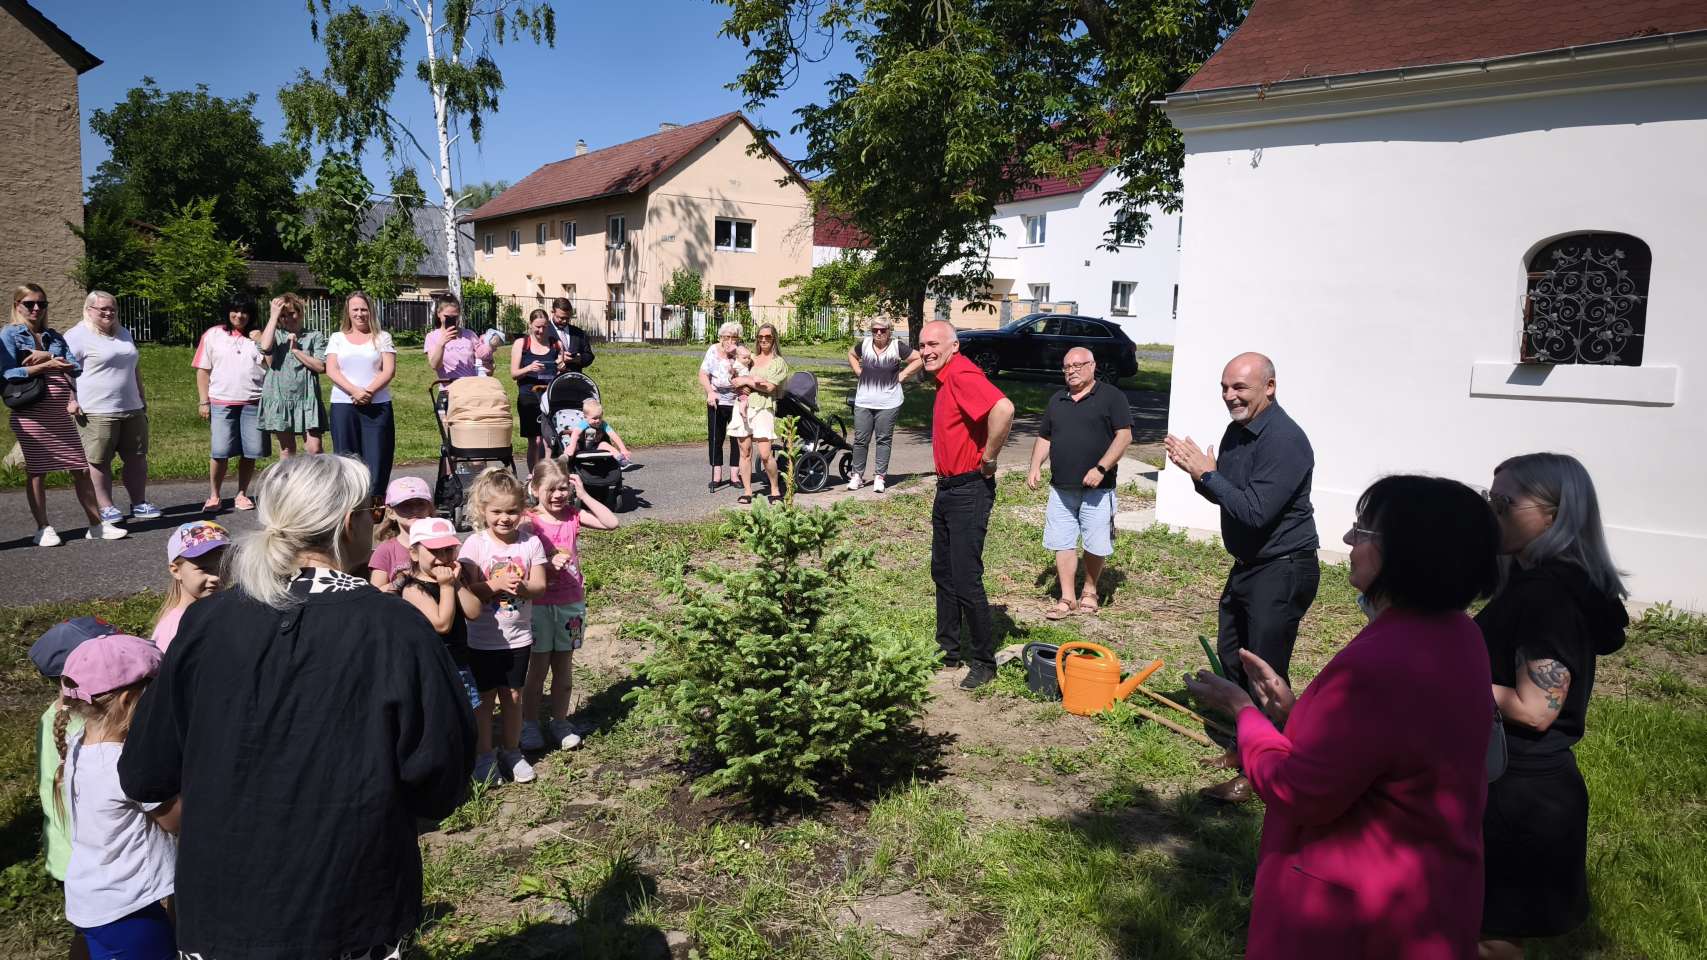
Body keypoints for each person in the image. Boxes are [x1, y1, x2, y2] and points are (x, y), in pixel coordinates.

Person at [119, 454, 475, 960]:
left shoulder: (207, 623)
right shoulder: (393, 626)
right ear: (351, 523)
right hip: (350, 907)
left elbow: (144, 770)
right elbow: (442, 770)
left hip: (222, 910)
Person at [1185, 475, 1501, 960]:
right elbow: (1388, 749)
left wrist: (1244, 713)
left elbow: (1301, 791)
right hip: (1428, 896)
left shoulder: (1382, 661)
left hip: (1354, 913)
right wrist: (1295, 713)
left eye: (1364, 531)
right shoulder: (1459, 634)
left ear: (1406, 553)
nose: (1350, 541)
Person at [1476, 453, 1629, 960]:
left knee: (1489, 937)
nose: (1491, 512)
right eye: (1488, 499)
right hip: (1517, 782)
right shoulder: (1539, 581)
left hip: (1521, 794)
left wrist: (1449, 678)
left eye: (1504, 503)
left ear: (1556, 512)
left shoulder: (1548, 595)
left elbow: (1537, 708)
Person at [1165, 351, 1319, 803]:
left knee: (1266, 673)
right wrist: (1201, 476)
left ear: (1269, 387)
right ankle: (1243, 746)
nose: (1230, 396)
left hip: (1284, 567)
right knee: (1233, 658)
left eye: (1241, 388)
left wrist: (1208, 474)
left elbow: (1254, 511)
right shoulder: (1238, 432)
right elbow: (1231, 496)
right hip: (1250, 565)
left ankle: (1263, 772)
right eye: (1225, 387)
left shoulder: (1286, 441)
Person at [57, 632, 179, 960]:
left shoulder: (80, 742)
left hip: (97, 897)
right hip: (129, 909)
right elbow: (176, 820)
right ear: (129, 701)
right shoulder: (128, 763)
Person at [918, 320, 1015, 689]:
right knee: (942, 572)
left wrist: (989, 458)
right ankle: (948, 650)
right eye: (923, 344)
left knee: (965, 577)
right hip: (947, 489)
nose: (926, 350)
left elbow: (1003, 409)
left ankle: (983, 661)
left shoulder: (960, 373)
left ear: (954, 347)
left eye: (934, 344)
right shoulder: (945, 378)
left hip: (968, 489)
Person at [3, 284, 127, 545]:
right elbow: (7, 373)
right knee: (37, 471)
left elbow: (74, 367)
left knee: (80, 468)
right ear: (17, 306)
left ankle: (95, 524)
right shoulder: (9, 335)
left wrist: (46, 355)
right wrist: (48, 364)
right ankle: (43, 527)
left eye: (42, 304)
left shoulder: (53, 335)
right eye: (29, 304)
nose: (36, 308)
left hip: (59, 413)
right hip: (32, 414)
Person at [31, 615, 119, 960]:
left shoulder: (52, 717)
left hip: (67, 855)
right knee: (104, 935)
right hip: (93, 856)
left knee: (91, 931)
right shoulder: (90, 727)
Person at [519, 459, 618, 754]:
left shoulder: (573, 515)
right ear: (535, 489)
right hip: (537, 604)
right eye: (551, 489)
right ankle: (530, 724)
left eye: (563, 488)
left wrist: (585, 495)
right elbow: (521, 554)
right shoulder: (528, 519)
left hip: (570, 603)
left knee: (563, 668)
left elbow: (611, 523)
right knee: (536, 670)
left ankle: (560, 722)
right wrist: (547, 561)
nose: (558, 495)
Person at [1026, 347, 1132, 619]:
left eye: (1077, 365)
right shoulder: (1057, 400)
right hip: (1061, 487)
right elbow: (1045, 437)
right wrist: (1035, 465)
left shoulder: (1111, 397)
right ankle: (1067, 598)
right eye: (1066, 367)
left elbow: (1124, 437)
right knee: (1062, 542)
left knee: (1095, 543)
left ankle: (1090, 591)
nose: (1071, 371)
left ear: (1092, 365)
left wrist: (1101, 468)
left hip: (1098, 487)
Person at [457, 465, 548, 785]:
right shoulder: (475, 545)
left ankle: (512, 750)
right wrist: (494, 585)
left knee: (512, 697)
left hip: (518, 638)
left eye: (512, 511)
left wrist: (522, 587)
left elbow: (540, 586)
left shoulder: (530, 543)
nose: (505, 518)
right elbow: (467, 594)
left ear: (523, 510)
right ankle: (484, 756)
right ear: (483, 510)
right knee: (483, 703)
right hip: (481, 639)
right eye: (497, 511)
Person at [64, 291, 159, 523]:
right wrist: (71, 399)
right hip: (96, 409)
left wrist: (141, 395)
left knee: (137, 457)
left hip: (131, 406)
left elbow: (134, 366)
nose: (108, 313)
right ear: (88, 310)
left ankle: (139, 503)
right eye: (102, 309)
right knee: (99, 460)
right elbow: (64, 370)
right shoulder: (77, 335)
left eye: (112, 309)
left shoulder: (123, 333)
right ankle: (105, 506)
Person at [397, 515, 484, 714]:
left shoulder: (452, 581)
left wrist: (457, 583)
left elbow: (474, 611)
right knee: (444, 716)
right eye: (434, 551)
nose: (443, 557)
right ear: (414, 553)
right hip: (435, 667)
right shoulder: (413, 589)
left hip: (460, 662)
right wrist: (446, 587)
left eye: (448, 550)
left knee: (470, 714)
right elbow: (442, 624)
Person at [194, 294, 267, 513]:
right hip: (221, 402)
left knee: (250, 451)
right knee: (220, 451)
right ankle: (215, 495)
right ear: (228, 312)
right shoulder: (214, 334)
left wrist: (260, 341)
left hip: (253, 401)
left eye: (245, 312)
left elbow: (272, 364)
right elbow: (203, 370)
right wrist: (203, 401)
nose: (240, 315)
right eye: (235, 311)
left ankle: (242, 493)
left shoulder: (259, 336)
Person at [325, 290, 397, 501]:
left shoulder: (382, 337)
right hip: (343, 405)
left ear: (370, 311)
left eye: (363, 309)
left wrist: (368, 392)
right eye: (355, 309)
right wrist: (354, 391)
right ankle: (350, 503)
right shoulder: (337, 338)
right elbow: (332, 370)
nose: (359, 314)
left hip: (377, 406)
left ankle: (375, 504)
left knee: (378, 457)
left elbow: (388, 370)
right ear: (348, 312)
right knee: (346, 458)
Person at [846, 317, 922, 492]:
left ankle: (880, 477)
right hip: (864, 401)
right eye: (875, 330)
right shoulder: (864, 345)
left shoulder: (897, 346)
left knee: (883, 440)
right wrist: (857, 370)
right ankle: (857, 475)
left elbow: (919, 359)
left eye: (882, 330)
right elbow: (851, 354)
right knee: (860, 439)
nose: (878, 333)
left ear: (889, 331)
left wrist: (903, 375)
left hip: (889, 403)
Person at [256, 293, 328, 458]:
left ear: (300, 313)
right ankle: (288, 483)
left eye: (291, 314)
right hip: (280, 397)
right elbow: (265, 347)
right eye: (283, 316)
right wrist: (273, 316)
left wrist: (296, 351)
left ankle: (316, 482)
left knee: (314, 449)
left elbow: (320, 366)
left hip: (307, 398)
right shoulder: (276, 334)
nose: (287, 319)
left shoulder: (314, 336)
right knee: (287, 449)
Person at [728, 323, 790, 505]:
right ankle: (748, 491)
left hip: (763, 407)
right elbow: (734, 376)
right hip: (743, 407)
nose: (763, 340)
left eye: (768, 337)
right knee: (745, 452)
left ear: (774, 339)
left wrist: (745, 381)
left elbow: (769, 387)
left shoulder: (779, 363)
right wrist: (738, 381)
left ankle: (775, 489)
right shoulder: (751, 358)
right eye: (760, 337)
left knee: (765, 454)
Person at [150, 520, 231, 652]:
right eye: (204, 569)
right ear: (176, 571)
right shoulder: (175, 628)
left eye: (223, 567)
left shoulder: (223, 609)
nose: (216, 577)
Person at [511, 308, 562, 470]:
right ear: (530, 325)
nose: (541, 331)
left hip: (551, 396)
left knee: (549, 439)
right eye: (537, 327)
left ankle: (546, 473)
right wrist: (529, 368)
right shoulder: (522, 344)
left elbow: (562, 368)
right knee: (535, 440)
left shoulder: (555, 344)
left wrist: (561, 363)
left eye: (544, 327)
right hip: (529, 396)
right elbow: (514, 373)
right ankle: (533, 474)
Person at [367, 476, 437, 592]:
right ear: (390, 512)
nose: (414, 509)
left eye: (420, 503)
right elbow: (376, 593)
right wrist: (403, 580)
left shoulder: (440, 543)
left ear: (430, 508)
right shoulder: (386, 550)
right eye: (405, 505)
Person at [697, 322, 742, 492]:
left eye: (734, 337)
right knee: (716, 437)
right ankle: (717, 475)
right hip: (716, 399)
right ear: (721, 337)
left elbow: (747, 372)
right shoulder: (713, 350)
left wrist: (736, 358)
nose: (730, 340)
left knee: (737, 438)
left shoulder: (741, 351)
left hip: (736, 400)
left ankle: (734, 475)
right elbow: (703, 374)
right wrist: (710, 392)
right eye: (727, 337)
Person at [425, 294, 494, 382]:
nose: (452, 319)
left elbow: (484, 364)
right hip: (448, 389)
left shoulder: (470, 335)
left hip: (471, 387)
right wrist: (441, 343)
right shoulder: (432, 337)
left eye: (455, 317)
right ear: (438, 314)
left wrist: (488, 358)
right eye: (447, 317)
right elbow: (435, 366)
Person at [549, 297, 595, 371]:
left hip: (573, 379)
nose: (564, 321)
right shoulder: (543, 331)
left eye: (567, 318)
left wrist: (578, 359)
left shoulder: (578, 333)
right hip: (550, 379)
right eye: (561, 318)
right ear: (552, 312)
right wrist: (558, 360)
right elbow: (536, 359)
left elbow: (589, 356)